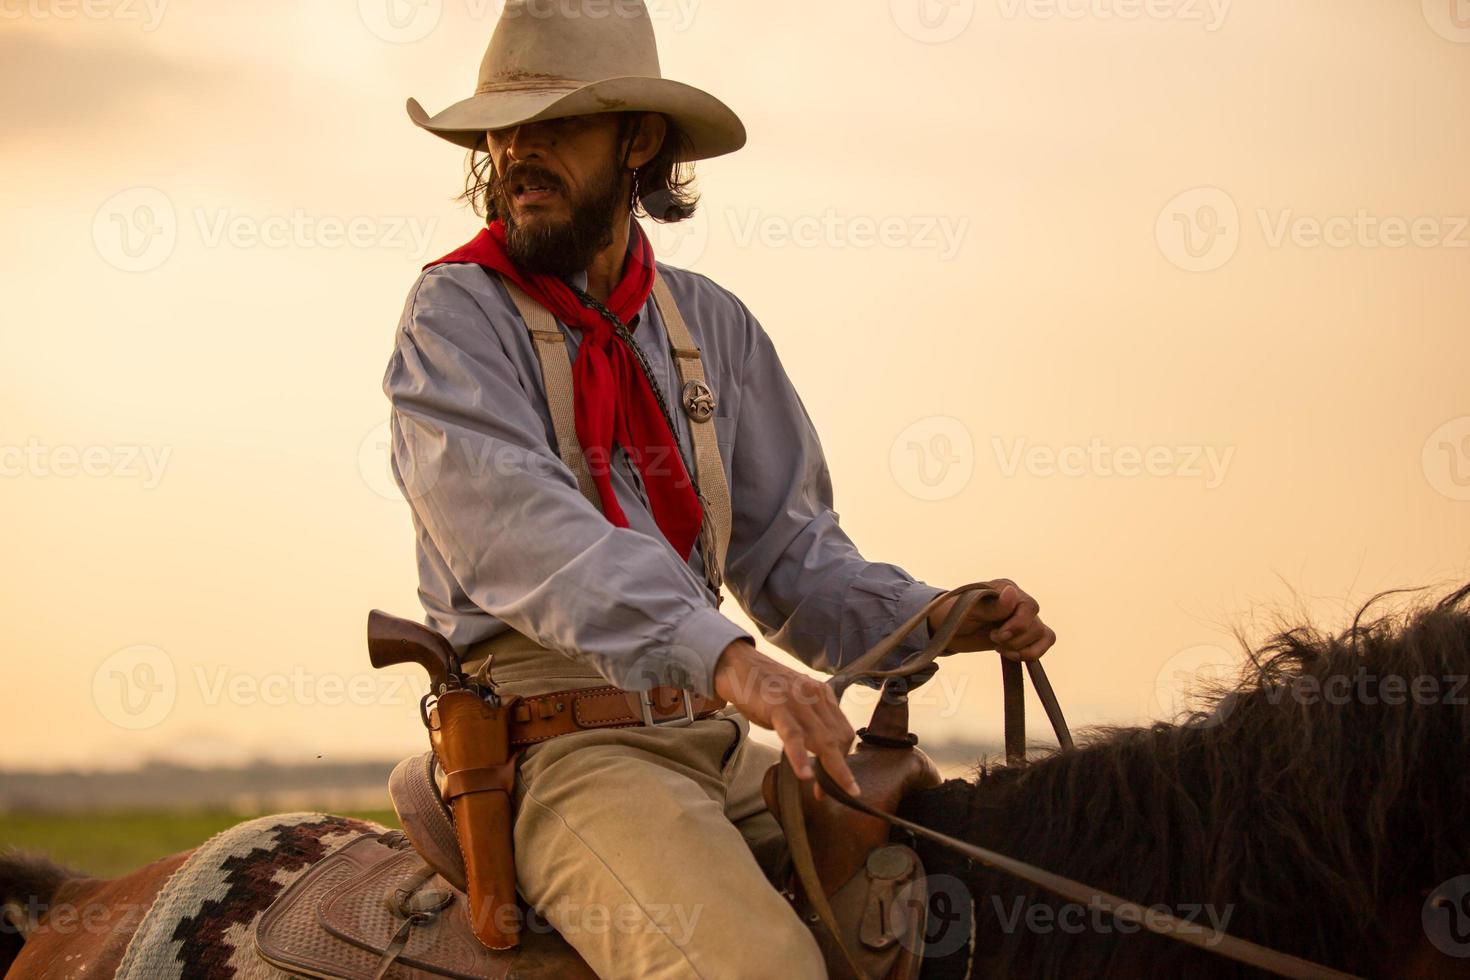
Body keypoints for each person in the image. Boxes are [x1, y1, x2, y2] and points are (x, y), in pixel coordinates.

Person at [384, 2, 1056, 976]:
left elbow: (790, 554)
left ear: (639, 141)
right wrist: (733, 661)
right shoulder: (455, 315)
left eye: (556, 125)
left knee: (959, 919)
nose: (517, 151)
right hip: (564, 751)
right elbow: (524, 537)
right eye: (503, 126)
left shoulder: (711, 327)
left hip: (711, 739)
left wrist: (938, 617)